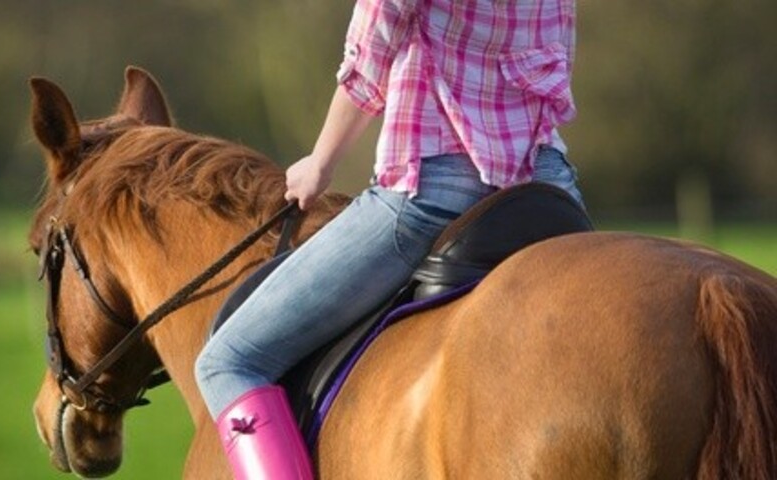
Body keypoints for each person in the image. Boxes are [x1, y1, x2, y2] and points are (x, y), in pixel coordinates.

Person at [195, 0, 583, 478]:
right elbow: (555, 59)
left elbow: (370, 57)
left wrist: (320, 163)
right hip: (549, 194)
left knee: (228, 362)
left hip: (434, 192)